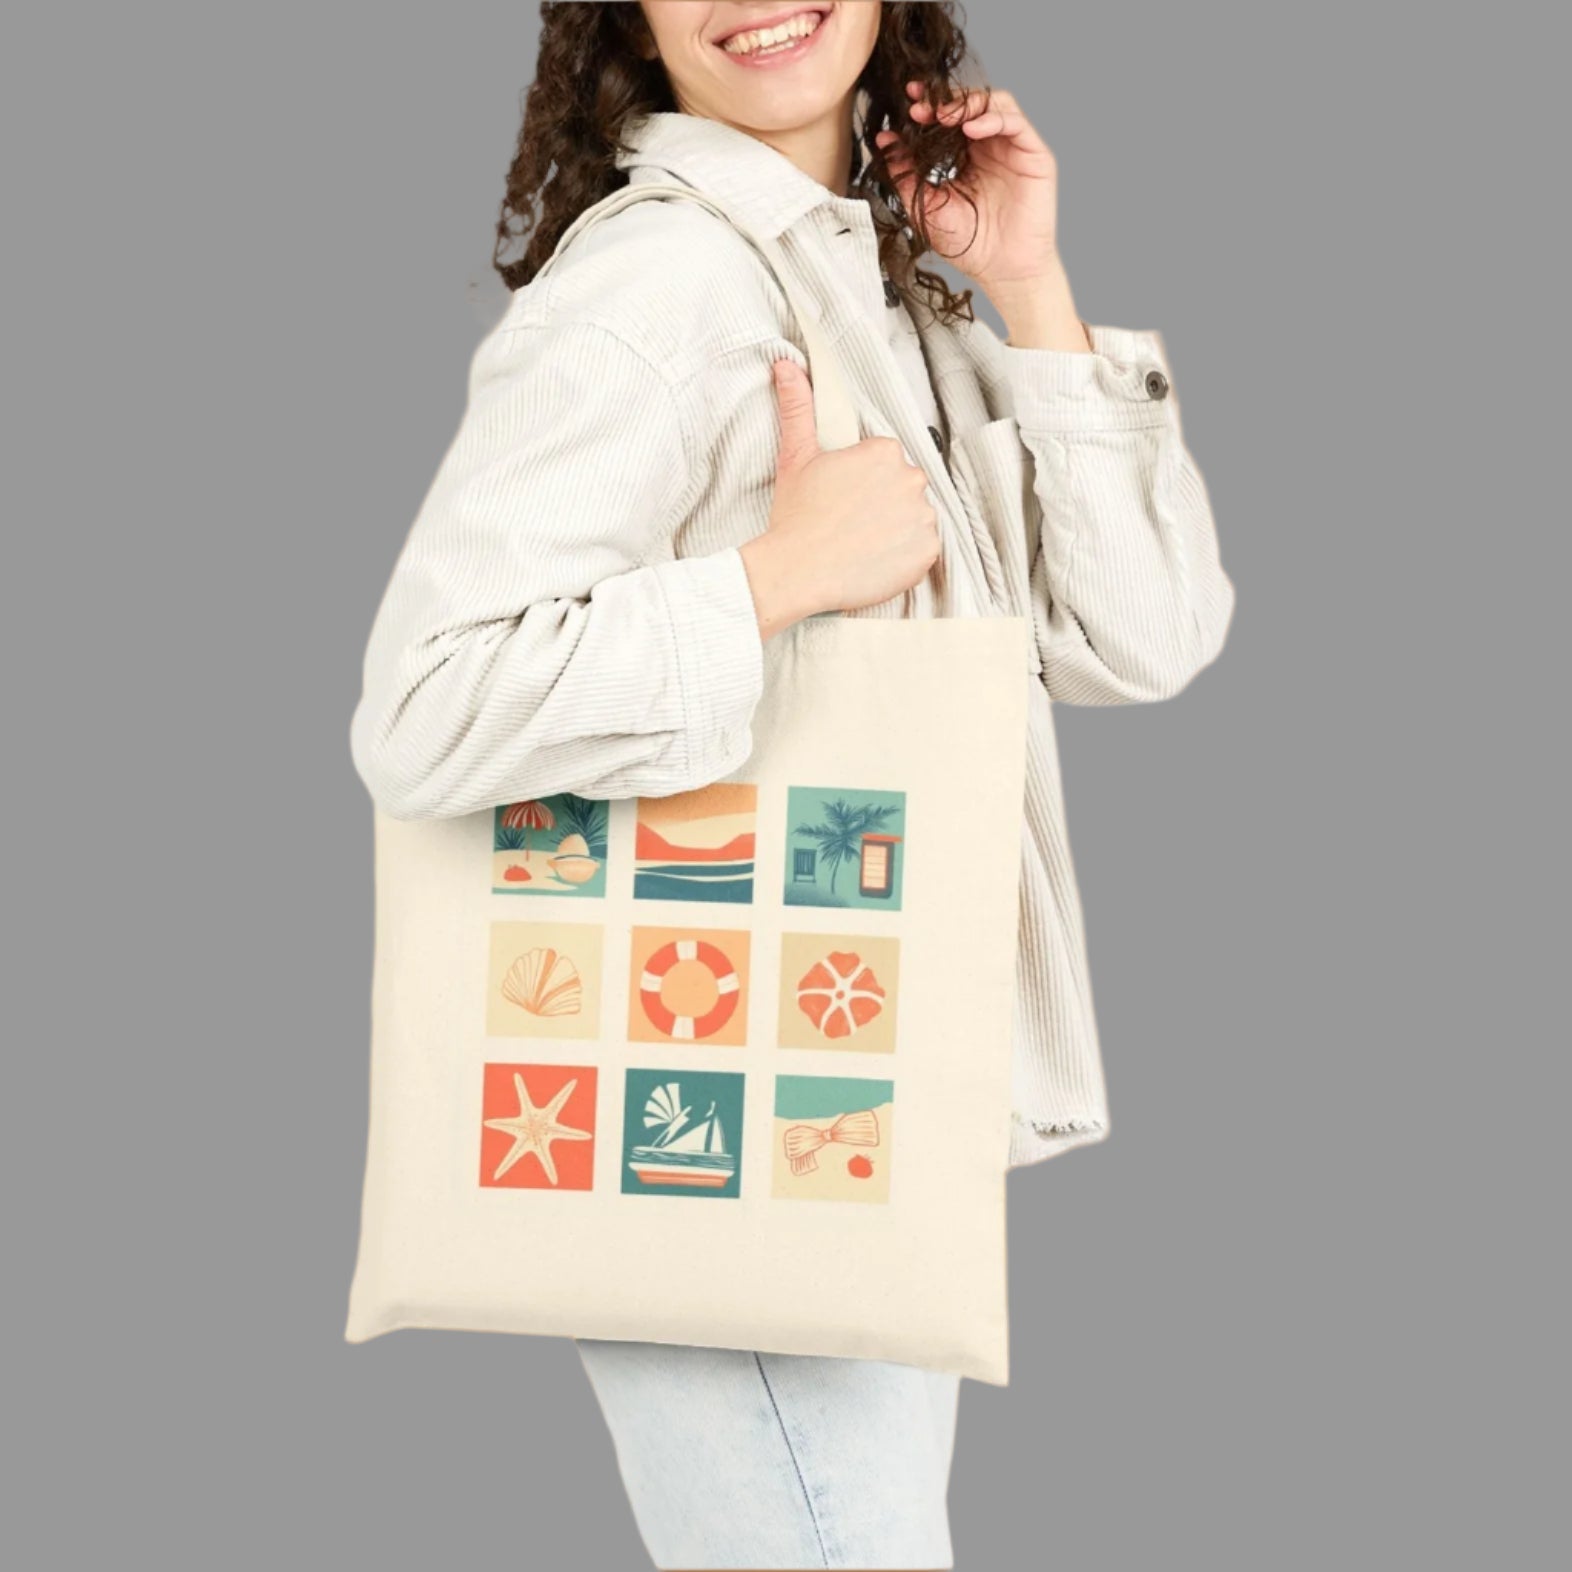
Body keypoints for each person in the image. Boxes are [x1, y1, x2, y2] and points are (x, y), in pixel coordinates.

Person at [348, 3, 1236, 1566]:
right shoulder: (662, 281)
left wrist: (1029, 286)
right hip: (716, 1119)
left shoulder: (867, 276)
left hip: (844, 1103)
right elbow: (425, 708)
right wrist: (774, 581)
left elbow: (1143, 636)